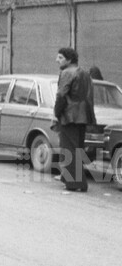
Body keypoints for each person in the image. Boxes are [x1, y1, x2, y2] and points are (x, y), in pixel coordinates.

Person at [53, 47, 95, 192]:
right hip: (83, 116)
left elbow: (61, 95)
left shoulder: (66, 73)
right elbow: (89, 96)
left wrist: (56, 113)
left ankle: (73, 183)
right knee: (77, 149)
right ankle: (78, 182)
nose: (57, 60)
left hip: (69, 116)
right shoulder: (85, 73)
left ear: (69, 60)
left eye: (60, 57)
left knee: (68, 150)